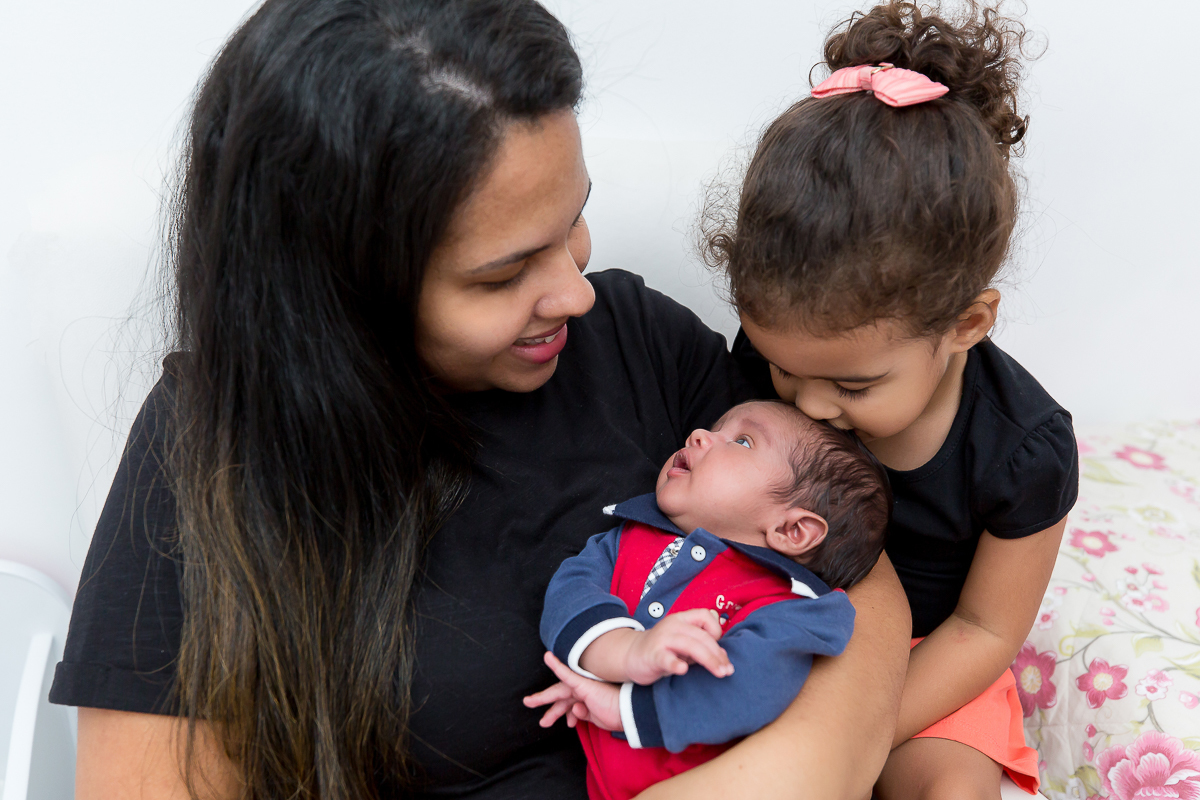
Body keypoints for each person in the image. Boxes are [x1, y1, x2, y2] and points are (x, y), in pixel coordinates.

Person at [47, 1, 910, 798]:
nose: (574, 291)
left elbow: (851, 572)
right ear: (341, 290)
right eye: (502, 273)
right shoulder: (208, 458)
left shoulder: (637, 343)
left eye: (573, 218)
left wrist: (783, 776)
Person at [705, 3, 1077, 798]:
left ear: (964, 325)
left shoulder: (1023, 451)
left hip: (922, 666)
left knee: (952, 788)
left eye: (853, 385)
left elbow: (984, 629)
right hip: (768, 631)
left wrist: (861, 727)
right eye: (781, 368)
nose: (809, 405)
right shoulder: (769, 366)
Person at [525, 401, 891, 800]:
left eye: (743, 441)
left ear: (793, 529)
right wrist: (623, 651)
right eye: (716, 427)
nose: (699, 434)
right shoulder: (628, 537)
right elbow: (569, 594)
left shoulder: (792, 605)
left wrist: (625, 708)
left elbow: (755, 684)